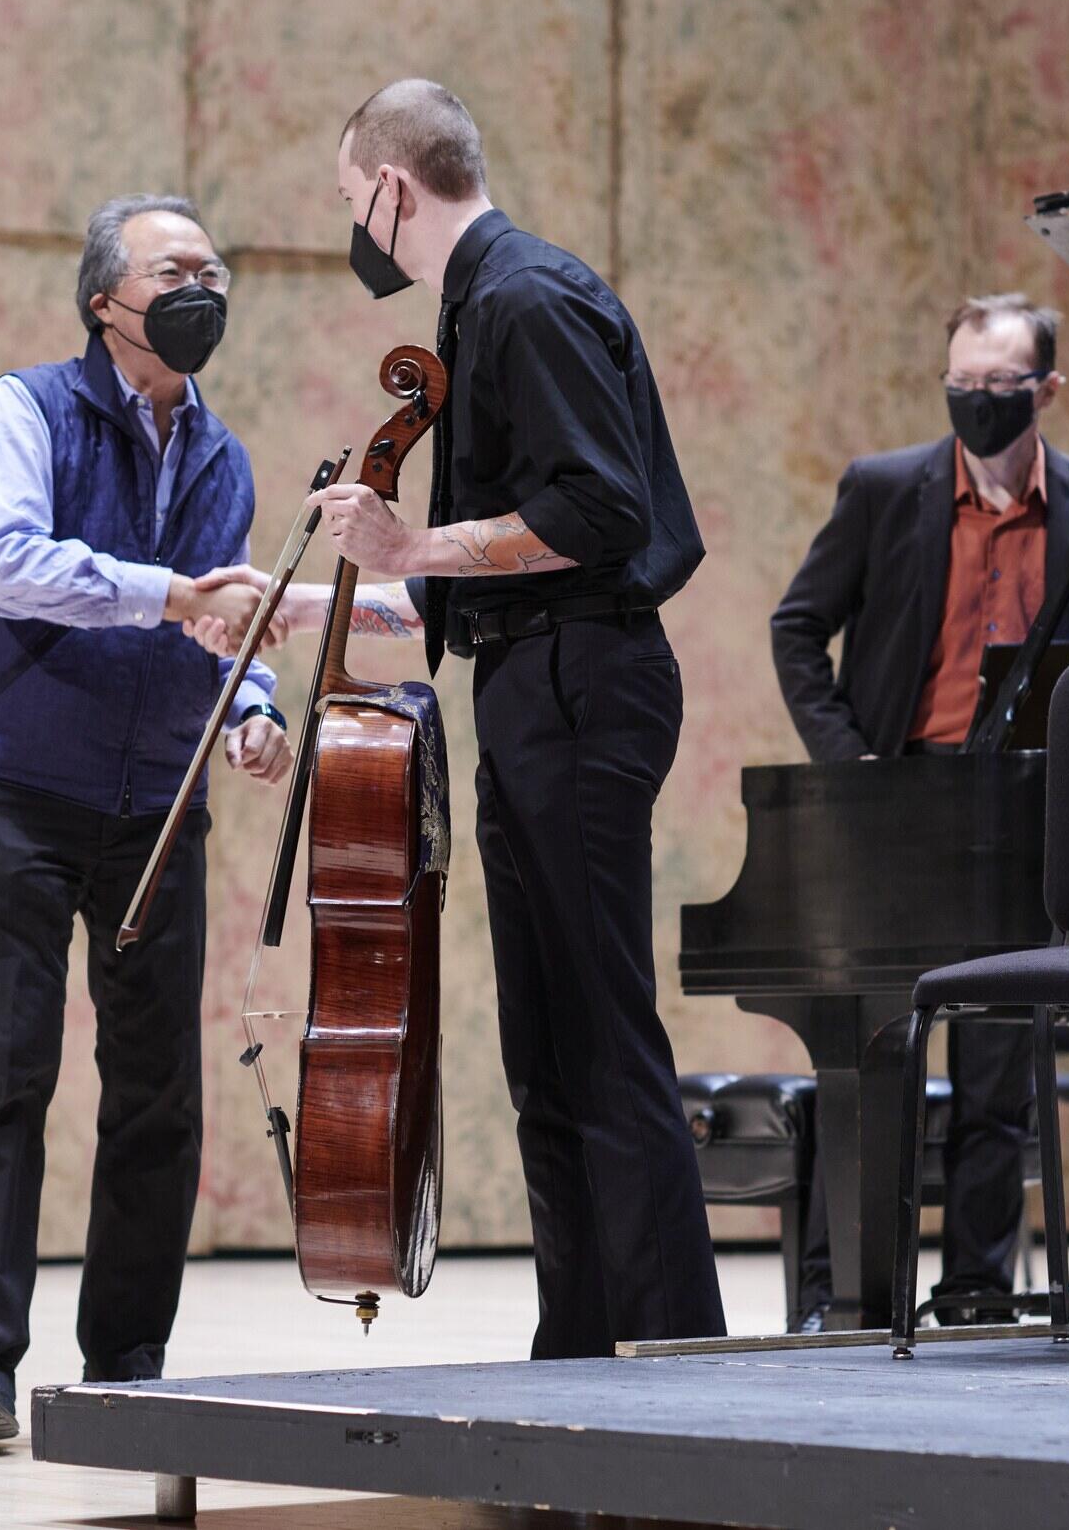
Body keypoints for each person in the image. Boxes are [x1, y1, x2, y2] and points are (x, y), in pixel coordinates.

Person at [199, 79, 726, 1358]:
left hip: (583, 686)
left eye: (348, 201)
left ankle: (676, 1350)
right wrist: (293, 609)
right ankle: (583, 1345)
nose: (351, 228)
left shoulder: (525, 298)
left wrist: (415, 541)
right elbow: (468, 593)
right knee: (544, 1046)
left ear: (393, 186)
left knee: (601, 1032)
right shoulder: (479, 307)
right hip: (532, 682)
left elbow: (597, 516)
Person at [0, 193, 291, 1444]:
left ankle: (129, 1361)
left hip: (157, 800)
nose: (203, 285)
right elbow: (5, 560)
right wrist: (169, 592)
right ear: (106, 299)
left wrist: (251, 700)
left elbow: (224, 620)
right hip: (16, 795)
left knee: (156, 1091)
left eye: (214, 268)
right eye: (174, 268)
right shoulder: (21, 410)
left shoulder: (223, 454)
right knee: (8, 1072)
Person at [769, 292, 1069, 1323]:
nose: (976, 402)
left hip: (1028, 814)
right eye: (962, 383)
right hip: (894, 802)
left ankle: (978, 1284)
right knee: (874, 1056)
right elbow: (797, 629)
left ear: (1049, 389)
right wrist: (847, 761)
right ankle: (841, 1288)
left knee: (999, 1070)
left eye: (999, 386)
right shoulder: (885, 489)